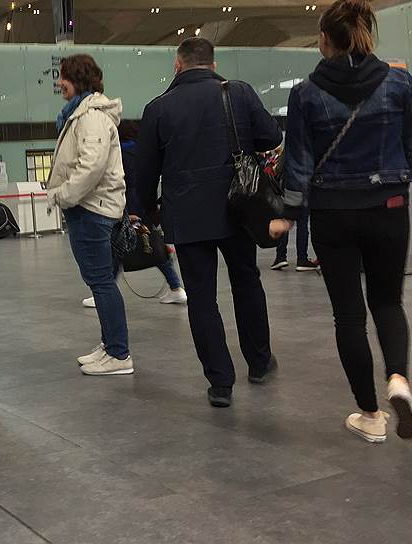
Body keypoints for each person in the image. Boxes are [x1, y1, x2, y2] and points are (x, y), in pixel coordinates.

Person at [272, 0, 412, 442]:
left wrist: (289, 216)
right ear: (366, 36)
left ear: (324, 40)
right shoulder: (399, 83)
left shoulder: (305, 93)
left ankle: (371, 416)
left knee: (349, 317)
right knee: (388, 303)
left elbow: (298, 164)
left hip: (332, 214)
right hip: (388, 207)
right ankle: (398, 380)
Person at [133, 38, 282, 408]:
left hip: (187, 214)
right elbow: (271, 136)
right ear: (214, 66)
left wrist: (142, 213)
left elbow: (145, 172)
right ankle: (259, 362)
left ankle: (220, 383)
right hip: (238, 208)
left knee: (201, 297)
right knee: (247, 281)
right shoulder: (239, 93)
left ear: (178, 65)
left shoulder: (158, 108)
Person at [47, 54, 133, 377]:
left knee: (101, 282)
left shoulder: (91, 117)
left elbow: (91, 166)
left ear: (78, 78)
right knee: (100, 282)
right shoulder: (83, 114)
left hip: (91, 210)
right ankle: (110, 345)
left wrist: (63, 195)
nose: (59, 83)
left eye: (63, 77)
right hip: (91, 209)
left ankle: (119, 353)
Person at [81, 119, 188, 308]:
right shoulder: (144, 151)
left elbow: (120, 183)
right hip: (147, 204)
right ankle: (176, 287)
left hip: (129, 206)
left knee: (118, 248)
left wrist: (126, 210)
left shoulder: (119, 153)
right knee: (152, 245)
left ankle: (103, 293)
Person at [267, 149, 319, 272]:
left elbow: (279, 168)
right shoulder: (311, 147)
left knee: (285, 220)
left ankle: (280, 257)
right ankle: (302, 259)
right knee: (302, 223)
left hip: (290, 185)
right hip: (307, 185)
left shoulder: (292, 146)